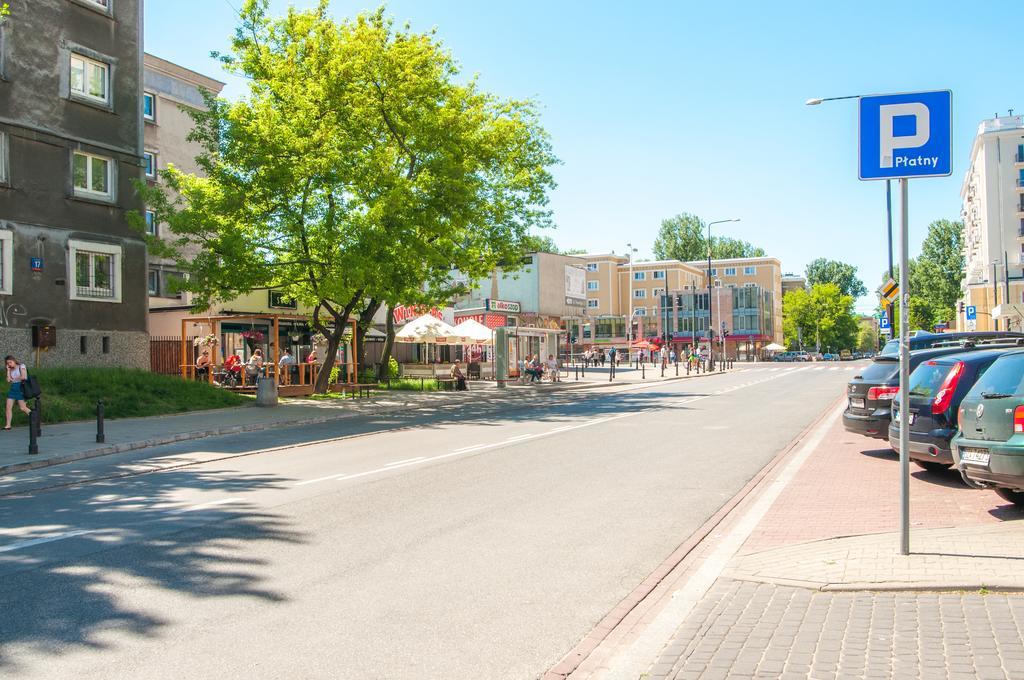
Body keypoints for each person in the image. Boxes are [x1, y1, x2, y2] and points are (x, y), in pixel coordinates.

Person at [4, 356, 32, 431]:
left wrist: (14, 379)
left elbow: (24, 377)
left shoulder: (21, 366)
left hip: (20, 388)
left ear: (14, 360)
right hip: (13, 388)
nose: (9, 364)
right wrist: (8, 370)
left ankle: (35, 417)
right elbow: (8, 380)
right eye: (7, 363)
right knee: (8, 407)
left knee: (22, 408)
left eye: (10, 362)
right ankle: (8, 425)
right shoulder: (10, 369)